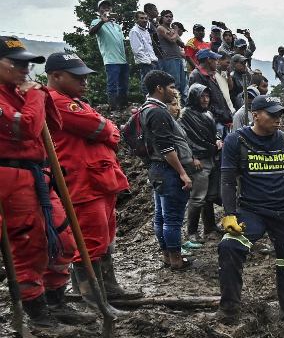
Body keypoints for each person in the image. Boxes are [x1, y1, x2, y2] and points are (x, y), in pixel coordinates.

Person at [0, 38, 84, 335]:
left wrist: (42, 96)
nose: (25, 69)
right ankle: (37, 316)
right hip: (11, 180)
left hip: (39, 175)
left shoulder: (20, 92)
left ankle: (56, 301)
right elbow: (25, 129)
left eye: (27, 63)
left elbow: (54, 125)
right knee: (29, 248)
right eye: (16, 63)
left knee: (64, 242)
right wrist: (36, 97)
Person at [216, 95, 284, 334]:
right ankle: (229, 309)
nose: (278, 119)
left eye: (280, 115)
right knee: (229, 247)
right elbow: (227, 180)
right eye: (272, 114)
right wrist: (229, 214)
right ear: (255, 115)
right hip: (253, 212)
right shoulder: (235, 141)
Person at [44, 53, 132, 311]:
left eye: (85, 77)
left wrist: (108, 130)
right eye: (77, 77)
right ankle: (94, 301)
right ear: (56, 76)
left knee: (104, 238)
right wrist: (107, 130)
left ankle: (110, 288)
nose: (85, 82)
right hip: (81, 182)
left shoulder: (74, 101)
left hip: (99, 179)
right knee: (89, 243)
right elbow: (104, 130)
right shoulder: (57, 102)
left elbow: (112, 133)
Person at [140, 70, 199, 271]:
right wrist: (183, 173)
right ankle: (176, 260)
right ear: (160, 88)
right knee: (172, 218)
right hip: (168, 170)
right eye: (171, 88)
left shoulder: (146, 108)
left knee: (162, 216)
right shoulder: (158, 111)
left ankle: (168, 257)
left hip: (157, 169)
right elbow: (167, 148)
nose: (174, 92)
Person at [180, 84, 222, 245]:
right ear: (194, 97)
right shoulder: (185, 115)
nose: (205, 99)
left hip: (212, 157)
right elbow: (183, 139)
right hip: (199, 160)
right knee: (198, 198)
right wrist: (192, 157)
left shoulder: (208, 114)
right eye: (202, 96)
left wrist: (218, 140)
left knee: (210, 196)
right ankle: (191, 231)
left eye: (207, 96)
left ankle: (210, 226)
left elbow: (214, 132)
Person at [88, 0, 130, 111]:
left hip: (123, 60)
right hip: (111, 60)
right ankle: (113, 109)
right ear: (99, 10)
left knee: (124, 85)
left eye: (109, 7)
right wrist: (102, 21)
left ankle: (123, 107)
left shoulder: (117, 26)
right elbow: (91, 32)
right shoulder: (97, 21)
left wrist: (127, 58)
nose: (106, 9)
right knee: (113, 85)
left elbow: (122, 42)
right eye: (103, 7)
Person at [188, 48, 233, 133]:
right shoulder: (197, 76)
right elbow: (199, 102)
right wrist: (213, 117)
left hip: (221, 121)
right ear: (209, 60)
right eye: (215, 60)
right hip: (215, 122)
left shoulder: (209, 75)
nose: (217, 62)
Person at [157, 10, 187, 105]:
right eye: (166, 16)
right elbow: (172, 40)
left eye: (170, 16)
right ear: (162, 18)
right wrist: (176, 32)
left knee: (183, 84)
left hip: (178, 58)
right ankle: (173, 104)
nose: (169, 18)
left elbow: (182, 44)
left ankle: (182, 105)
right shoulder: (161, 28)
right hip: (169, 59)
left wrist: (175, 33)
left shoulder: (172, 31)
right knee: (174, 83)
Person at [130, 11, 158, 97]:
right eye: (142, 18)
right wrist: (149, 61)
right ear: (136, 20)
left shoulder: (146, 31)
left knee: (154, 85)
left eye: (146, 18)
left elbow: (149, 47)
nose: (144, 20)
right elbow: (137, 50)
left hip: (152, 61)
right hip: (145, 63)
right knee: (147, 86)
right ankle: (148, 105)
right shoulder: (134, 31)